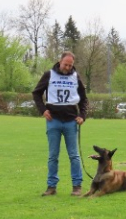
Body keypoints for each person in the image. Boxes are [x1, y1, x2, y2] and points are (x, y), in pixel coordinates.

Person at [32, 51, 89, 196]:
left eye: (70, 65)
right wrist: (43, 110)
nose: (68, 67)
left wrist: (82, 115)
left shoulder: (76, 77)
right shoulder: (49, 75)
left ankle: (77, 186)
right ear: (60, 61)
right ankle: (51, 187)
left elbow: (84, 99)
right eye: (65, 64)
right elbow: (36, 93)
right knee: (53, 156)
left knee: (74, 155)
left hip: (71, 121)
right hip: (53, 121)